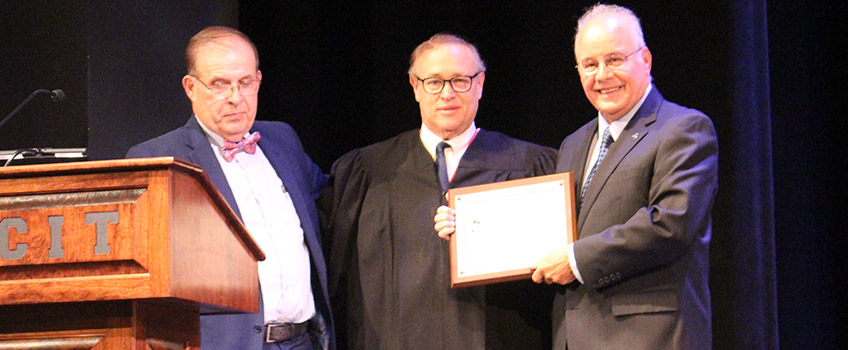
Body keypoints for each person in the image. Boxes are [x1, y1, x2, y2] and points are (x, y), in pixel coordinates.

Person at [435, 4, 718, 349]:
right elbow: (550, 231)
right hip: (574, 336)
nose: (601, 75)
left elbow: (671, 223)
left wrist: (574, 260)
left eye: (614, 59)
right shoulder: (574, 143)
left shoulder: (683, 128)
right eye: (589, 64)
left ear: (645, 60)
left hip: (648, 337)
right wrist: (469, 231)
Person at [325, 33, 556, 349]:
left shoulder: (533, 167)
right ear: (415, 87)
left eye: (460, 80)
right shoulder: (367, 172)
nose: (447, 93)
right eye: (434, 82)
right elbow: (334, 280)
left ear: (480, 84)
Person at [126, 26, 334, 350]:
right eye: (220, 84)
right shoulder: (159, 160)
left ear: (259, 81)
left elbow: (333, 205)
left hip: (302, 341)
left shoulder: (283, 140)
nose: (236, 98)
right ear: (190, 87)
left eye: (245, 83)